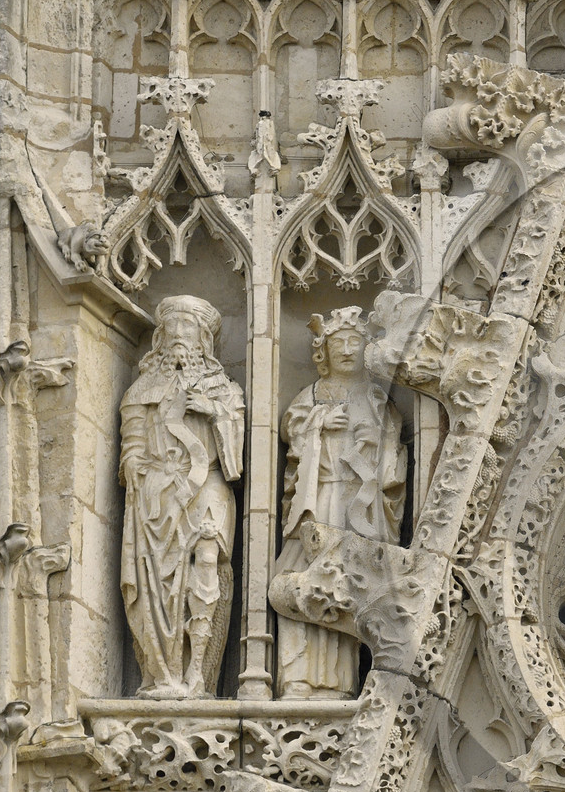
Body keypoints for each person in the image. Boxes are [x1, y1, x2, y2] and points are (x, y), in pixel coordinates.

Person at [274, 306, 405, 698]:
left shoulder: (378, 399)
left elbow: (393, 455)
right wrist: (319, 423)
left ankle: (338, 682)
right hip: (317, 501)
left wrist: (376, 442)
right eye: (339, 343)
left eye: (354, 342)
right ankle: (297, 678)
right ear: (323, 352)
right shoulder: (311, 395)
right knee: (303, 576)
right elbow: (290, 430)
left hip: (356, 507)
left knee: (346, 582)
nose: (347, 349)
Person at [120, 296, 245, 697]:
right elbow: (132, 440)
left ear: (203, 338)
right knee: (158, 582)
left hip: (207, 483)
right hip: (158, 494)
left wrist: (213, 411)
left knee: (207, 559)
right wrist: (134, 463)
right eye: (171, 327)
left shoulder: (224, 390)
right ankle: (166, 673)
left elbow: (236, 457)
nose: (178, 334)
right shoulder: (142, 389)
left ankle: (198, 672)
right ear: (159, 337)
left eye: (187, 326)